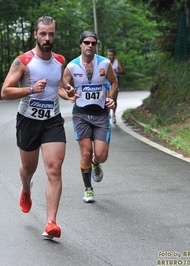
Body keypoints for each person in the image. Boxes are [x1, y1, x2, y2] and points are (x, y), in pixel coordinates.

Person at [1, 16, 74, 238]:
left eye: (51, 33)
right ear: (35, 34)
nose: (47, 38)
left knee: (54, 169)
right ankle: (26, 188)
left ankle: (51, 222)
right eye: (43, 33)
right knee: (28, 169)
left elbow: (59, 86)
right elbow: (5, 91)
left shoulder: (59, 60)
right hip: (28, 121)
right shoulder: (22, 61)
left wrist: (67, 92)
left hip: (52, 120)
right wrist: (31, 90)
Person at [60, 30, 118, 203]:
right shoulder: (72, 66)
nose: (90, 45)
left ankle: (96, 162)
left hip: (100, 114)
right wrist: (68, 95)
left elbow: (114, 82)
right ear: (81, 44)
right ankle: (88, 189)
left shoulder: (105, 63)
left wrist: (110, 98)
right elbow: (60, 86)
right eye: (87, 42)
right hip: (81, 115)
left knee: (101, 155)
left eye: (93, 43)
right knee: (85, 152)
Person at [107, 48, 125, 123]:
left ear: (114, 55)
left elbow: (122, 71)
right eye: (108, 55)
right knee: (107, 99)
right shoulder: (105, 62)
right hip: (107, 83)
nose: (109, 56)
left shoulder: (117, 62)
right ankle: (108, 115)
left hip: (115, 83)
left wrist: (116, 71)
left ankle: (113, 114)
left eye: (111, 55)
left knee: (114, 99)